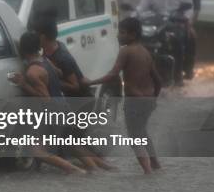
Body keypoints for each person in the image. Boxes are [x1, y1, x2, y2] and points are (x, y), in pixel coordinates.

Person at [34, 18, 116, 172]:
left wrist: (51, 81)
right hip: (74, 101)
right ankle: (101, 167)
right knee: (74, 140)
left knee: (73, 141)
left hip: (82, 101)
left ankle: (101, 167)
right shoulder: (51, 50)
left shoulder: (62, 57)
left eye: (36, 34)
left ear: (43, 37)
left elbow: (74, 85)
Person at [83, 18, 162, 174]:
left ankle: (147, 172)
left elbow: (113, 75)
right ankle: (155, 165)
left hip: (135, 101)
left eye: (122, 32)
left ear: (132, 35)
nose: (118, 35)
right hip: (148, 101)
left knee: (134, 138)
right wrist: (154, 99)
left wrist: (91, 82)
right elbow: (158, 80)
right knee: (142, 132)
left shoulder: (126, 50)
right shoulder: (145, 52)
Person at [12, 31, 87, 175]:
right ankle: (102, 169)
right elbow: (59, 73)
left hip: (52, 112)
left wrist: (24, 84)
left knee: (38, 151)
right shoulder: (46, 61)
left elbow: (44, 98)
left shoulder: (32, 72)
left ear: (22, 50)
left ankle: (77, 171)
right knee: (73, 146)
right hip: (62, 106)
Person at [137, 0, 194, 86]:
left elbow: (189, 12)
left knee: (184, 38)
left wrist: (184, 19)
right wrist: (133, 17)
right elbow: (140, 9)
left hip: (176, 26)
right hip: (156, 27)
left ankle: (180, 73)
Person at [178, 0, 201, 79]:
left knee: (192, 37)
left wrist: (190, 24)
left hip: (185, 21)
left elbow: (196, 10)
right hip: (167, 20)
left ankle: (188, 69)